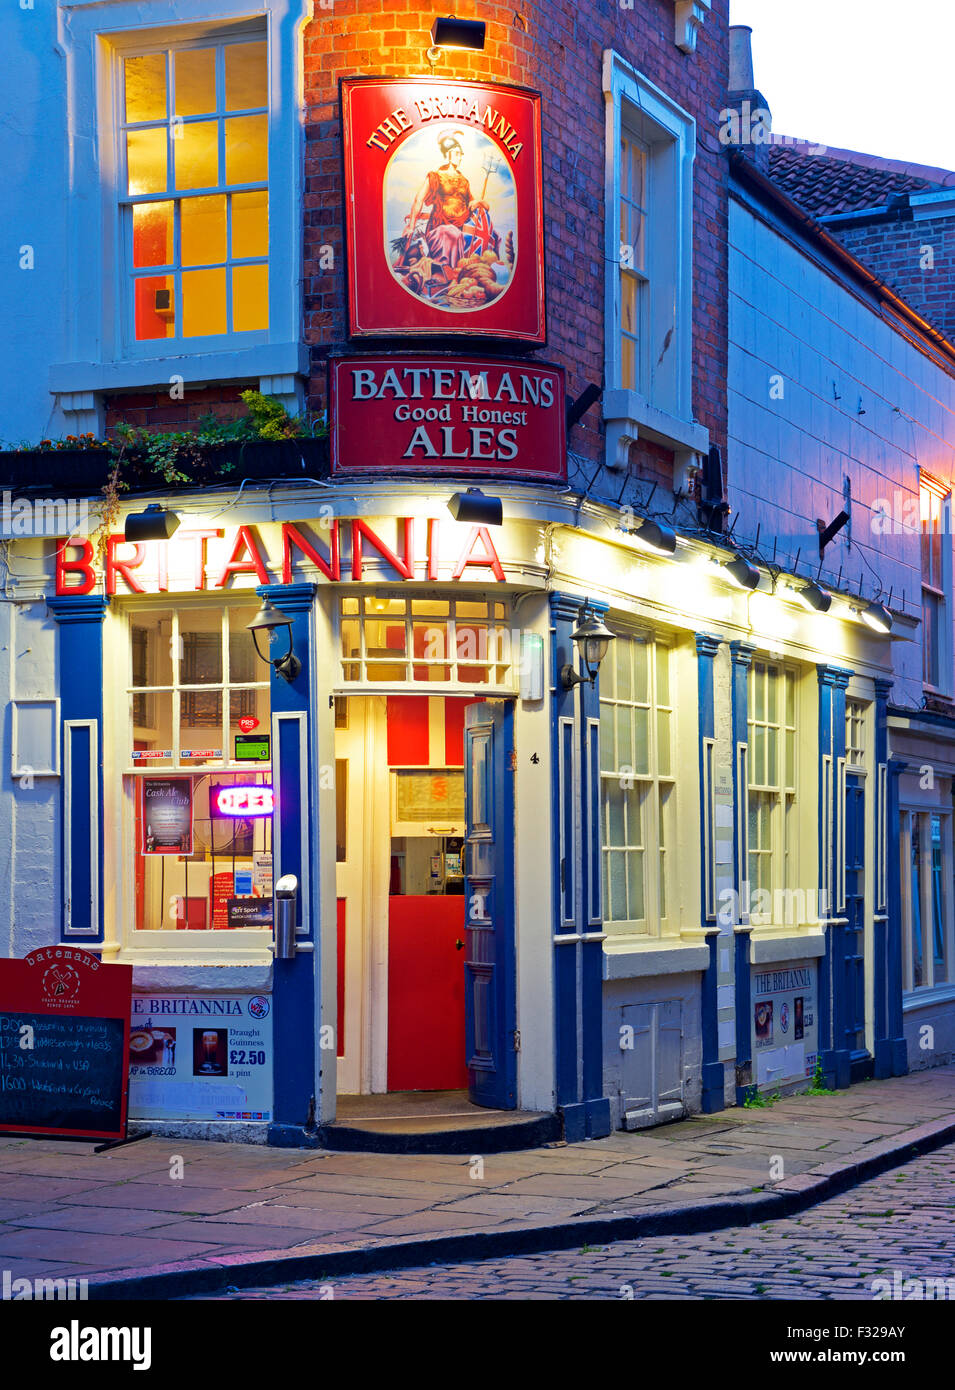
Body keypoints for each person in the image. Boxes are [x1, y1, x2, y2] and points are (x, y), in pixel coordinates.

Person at [403, 133, 489, 272]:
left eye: (461, 154)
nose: (460, 157)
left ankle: (450, 273)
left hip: (460, 227)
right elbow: (418, 199)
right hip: (439, 227)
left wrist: (479, 201)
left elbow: (482, 205)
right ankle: (441, 271)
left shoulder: (464, 181)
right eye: (458, 153)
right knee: (448, 232)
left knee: (453, 232)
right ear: (449, 154)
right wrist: (411, 226)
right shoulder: (435, 176)